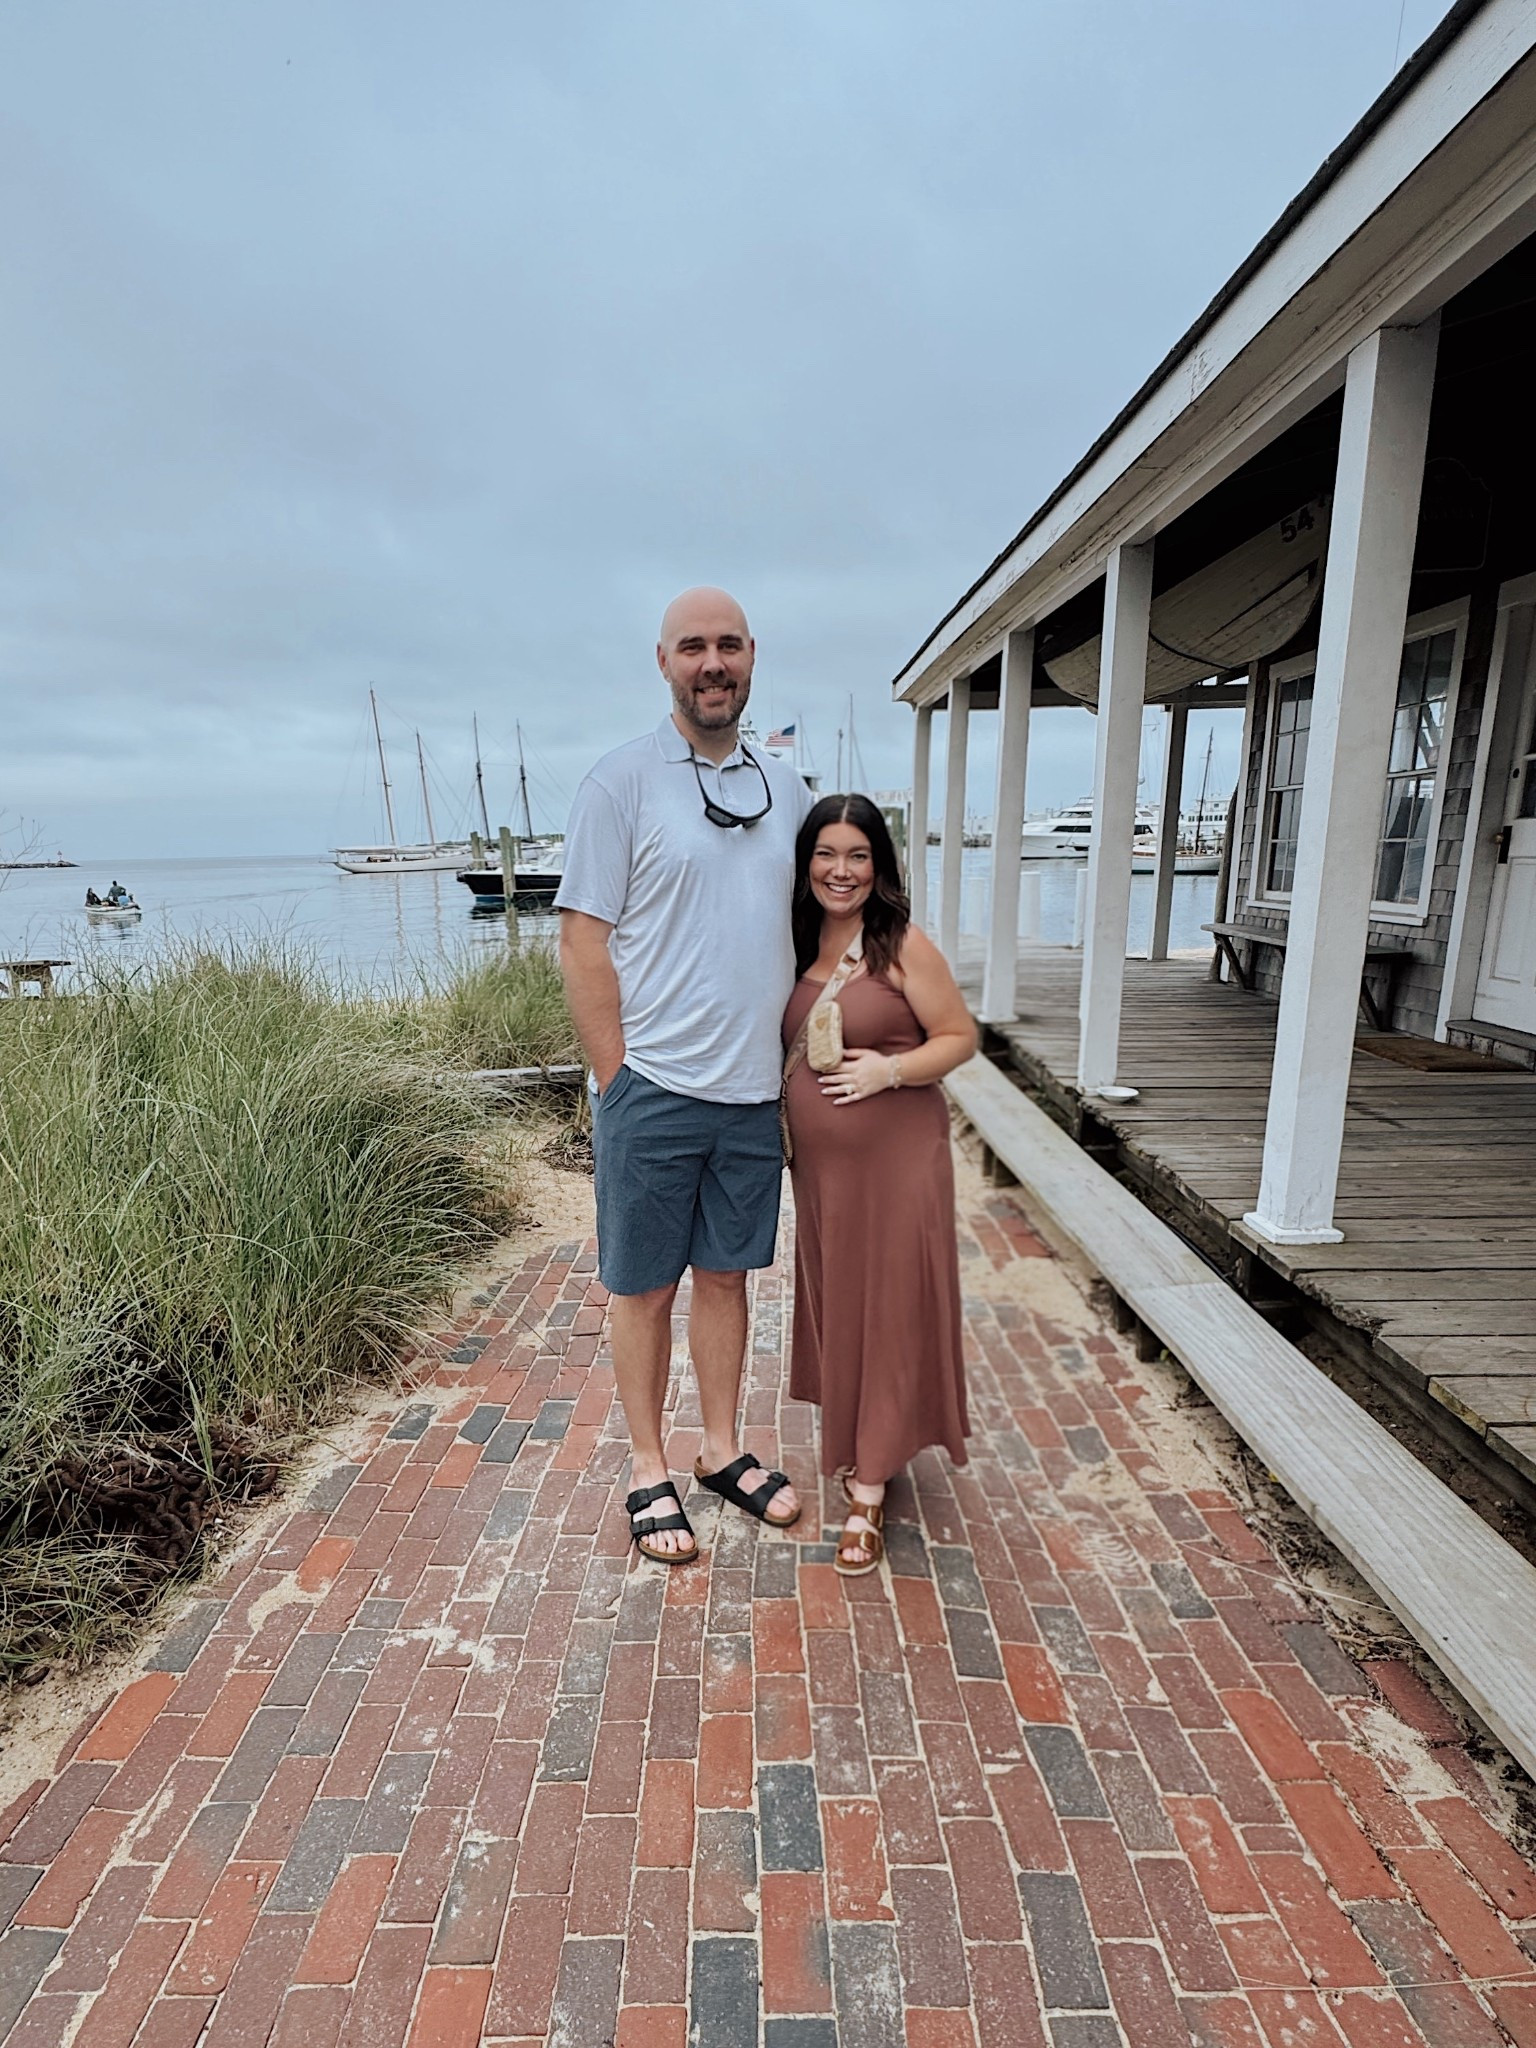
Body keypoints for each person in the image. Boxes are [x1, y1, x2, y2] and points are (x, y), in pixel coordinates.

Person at [556, 587, 814, 1563]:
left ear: (753, 656)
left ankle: (721, 1449)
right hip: (653, 1090)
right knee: (644, 1288)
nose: (714, 662)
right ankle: (646, 1463)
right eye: (694, 646)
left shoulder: (785, 789)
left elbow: (807, 927)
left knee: (726, 1279)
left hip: (752, 1095)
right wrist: (617, 1081)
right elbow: (582, 941)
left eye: (730, 645)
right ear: (663, 661)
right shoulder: (620, 783)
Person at [782, 793, 978, 1575]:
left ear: (880, 866)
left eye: (857, 856)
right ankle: (870, 1437)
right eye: (826, 854)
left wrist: (890, 1070)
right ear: (805, 865)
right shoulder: (793, 942)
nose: (841, 870)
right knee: (846, 1300)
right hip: (825, 1172)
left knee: (891, 1303)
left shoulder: (900, 944)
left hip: (899, 1161)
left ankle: (869, 1493)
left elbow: (961, 1038)